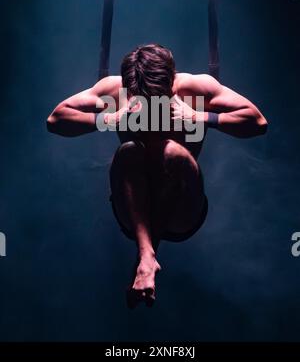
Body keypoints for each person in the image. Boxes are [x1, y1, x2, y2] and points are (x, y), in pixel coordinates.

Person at [47, 43, 268, 308]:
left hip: (183, 209)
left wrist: (199, 116)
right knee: (128, 150)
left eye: (156, 99)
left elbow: (257, 123)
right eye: (141, 98)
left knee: (172, 151)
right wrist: (110, 118)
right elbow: (56, 120)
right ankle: (147, 256)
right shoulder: (115, 92)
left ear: (171, 84)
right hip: (133, 207)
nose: (150, 106)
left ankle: (146, 256)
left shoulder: (194, 89)